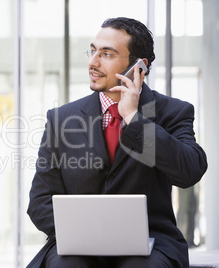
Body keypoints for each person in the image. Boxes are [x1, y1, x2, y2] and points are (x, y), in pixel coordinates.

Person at [27, 17, 207, 268]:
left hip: (151, 242)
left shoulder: (172, 112)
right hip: (77, 245)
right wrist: (87, 236)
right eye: (92, 51)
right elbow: (39, 202)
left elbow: (190, 171)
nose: (93, 62)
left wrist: (134, 118)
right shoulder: (61, 119)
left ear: (139, 66)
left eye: (107, 54)